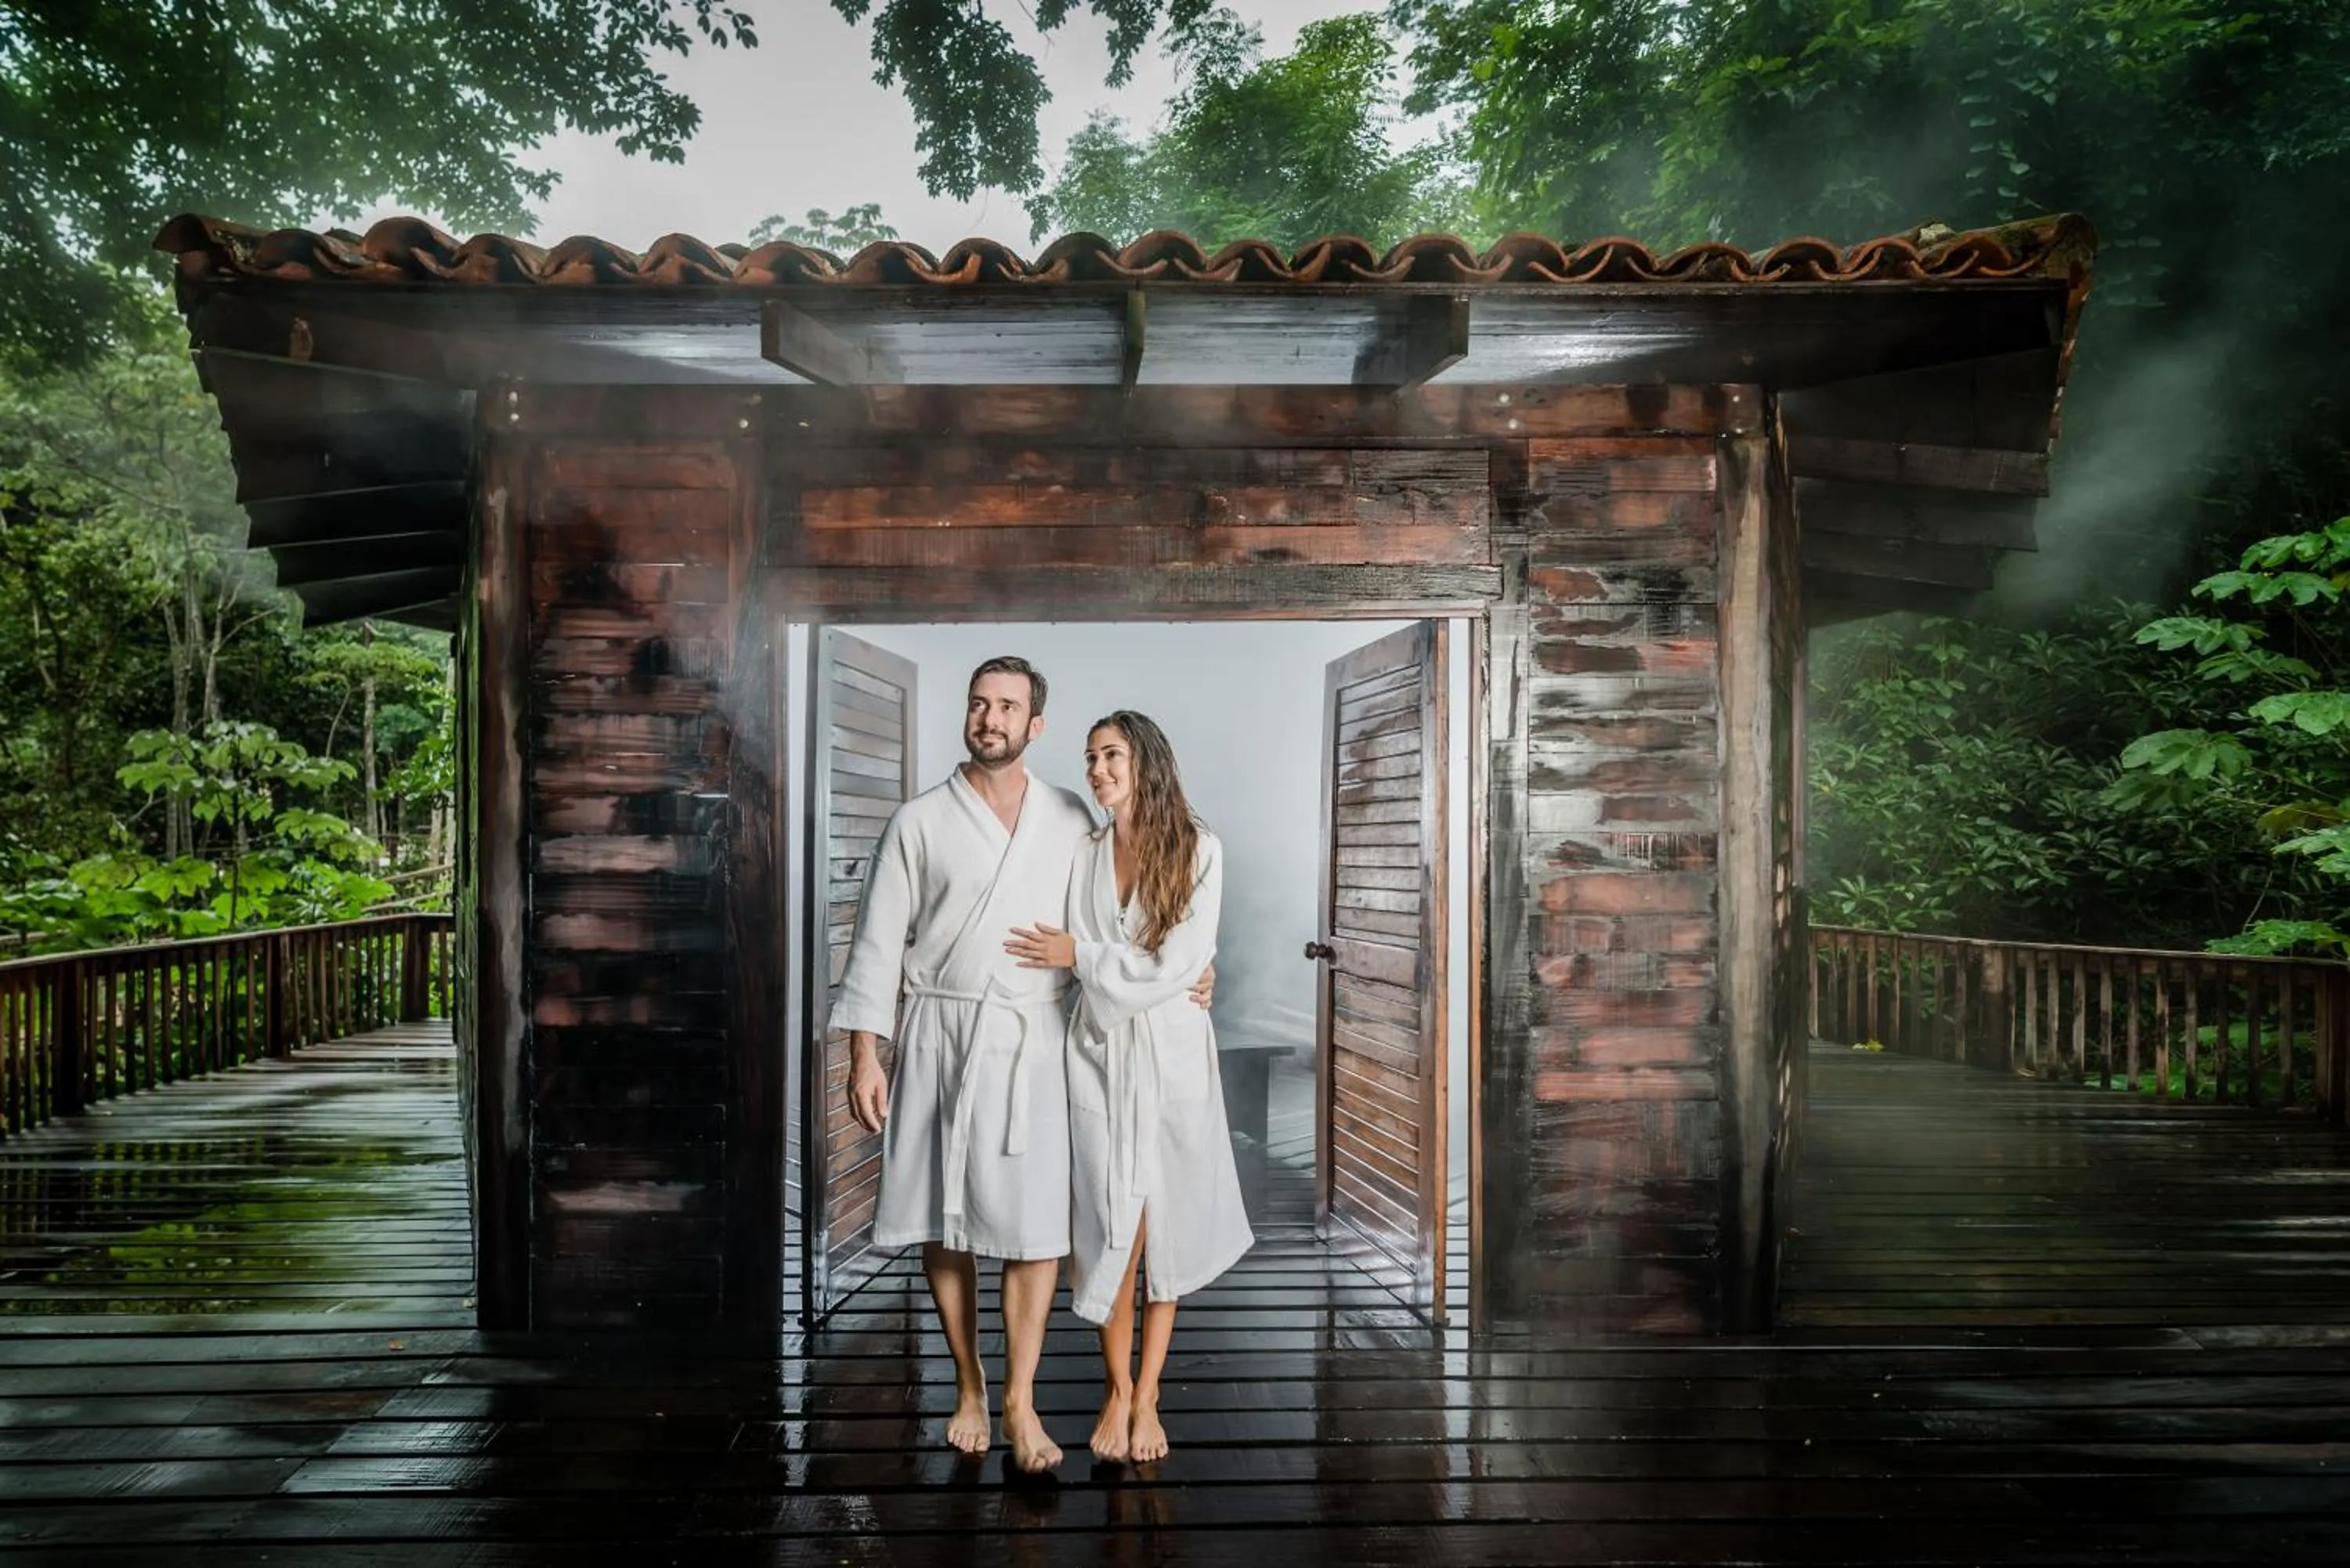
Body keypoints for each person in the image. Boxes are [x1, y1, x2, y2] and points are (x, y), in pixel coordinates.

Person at [836, 659, 1211, 1475]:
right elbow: (875, 945)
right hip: (940, 1030)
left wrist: (1190, 971)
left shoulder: (1074, 817)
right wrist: (866, 1051)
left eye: (1007, 706)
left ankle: (1020, 1396)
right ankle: (970, 1384)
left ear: (1034, 725)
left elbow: (1126, 913)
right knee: (945, 1218)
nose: (989, 716)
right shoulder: (918, 821)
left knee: (1036, 1226)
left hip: (1038, 1038)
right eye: (979, 702)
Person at [1005, 710, 1255, 1465]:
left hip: (1172, 1053)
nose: (1098, 770)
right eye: (1089, 759)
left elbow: (1182, 959)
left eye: (1111, 754)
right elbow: (1049, 934)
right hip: (1100, 1052)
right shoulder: (1083, 851)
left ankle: (1148, 1395)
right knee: (1115, 1222)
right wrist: (1092, 960)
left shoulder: (1199, 847)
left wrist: (1083, 952)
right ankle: (1117, 1388)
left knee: (1163, 1220)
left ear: (1145, 759)